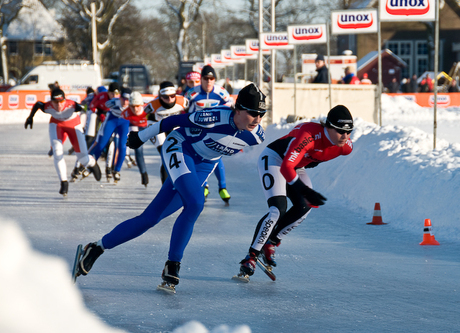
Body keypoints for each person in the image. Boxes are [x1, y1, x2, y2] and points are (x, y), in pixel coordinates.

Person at [74, 83, 267, 292]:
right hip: (180, 147)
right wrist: (141, 136)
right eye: (253, 113)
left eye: (261, 114)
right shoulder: (214, 117)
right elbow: (172, 121)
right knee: (195, 203)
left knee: (149, 219)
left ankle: (96, 247)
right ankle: (173, 265)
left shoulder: (256, 135)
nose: (257, 119)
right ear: (237, 109)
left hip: (203, 165)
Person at [236, 105, 353, 281]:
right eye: (340, 131)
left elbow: (299, 164)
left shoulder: (346, 147)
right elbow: (286, 167)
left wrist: (304, 190)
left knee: (306, 206)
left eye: (349, 132)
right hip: (276, 159)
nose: (345, 137)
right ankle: (251, 257)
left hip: (297, 165)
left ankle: (272, 242)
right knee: (277, 209)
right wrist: (303, 189)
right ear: (327, 127)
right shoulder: (309, 136)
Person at [24, 89, 101, 196]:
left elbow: (85, 109)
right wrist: (30, 117)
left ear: (65, 100)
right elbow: (37, 104)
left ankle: (92, 163)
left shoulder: (72, 105)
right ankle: (64, 182)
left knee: (83, 159)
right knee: (57, 152)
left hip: (73, 124)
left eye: (61, 102)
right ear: (51, 102)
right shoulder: (47, 107)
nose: (59, 105)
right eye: (56, 102)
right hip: (56, 125)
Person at [186, 65, 233, 203]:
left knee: (216, 157)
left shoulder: (221, 92)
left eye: (211, 78)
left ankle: (222, 187)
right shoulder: (191, 93)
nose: (208, 81)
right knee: (200, 158)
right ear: (201, 79)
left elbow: (232, 108)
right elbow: (184, 111)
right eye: (206, 78)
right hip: (198, 131)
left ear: (214, 80)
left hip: (215, 130)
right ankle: (204, 185)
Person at [144, 81, 189, 183]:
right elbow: (141, 116)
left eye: (172, 96)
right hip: (157, 126)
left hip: (173, 125)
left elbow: (191, 113)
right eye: (165, 97)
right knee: (165, 154)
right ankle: (165, 184)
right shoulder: (152, 105)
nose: (169, 100)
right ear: (160, 96)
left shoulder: (183, 101)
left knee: (175, 153)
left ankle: (176, 181)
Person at [88, 86, 130, 183]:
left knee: (122, 146)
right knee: (102, 144)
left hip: (124, 123)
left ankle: (117, 170)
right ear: (120, 98)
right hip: (112, 120)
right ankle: (92, 165)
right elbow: (102, 105)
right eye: (123, 99)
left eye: (128, 100)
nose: (125, 102)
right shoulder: (113, 102)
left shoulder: (133, 104)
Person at [122, 92, 149, 187]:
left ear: (141, 104)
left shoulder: (147, 110)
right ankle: (143, 173)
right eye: (132, 106)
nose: (135, 109)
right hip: (134, 127)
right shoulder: (125, 113)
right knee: (138, 150)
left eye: (137, 106)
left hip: (146, 127)